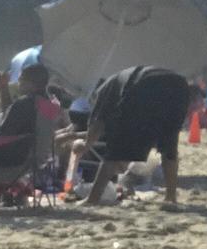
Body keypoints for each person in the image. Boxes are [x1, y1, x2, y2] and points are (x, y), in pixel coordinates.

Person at [78, 68, 197, 210]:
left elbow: (97, 124)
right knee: (169, 145)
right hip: (178, 86)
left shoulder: (104, 91)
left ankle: (93, 199)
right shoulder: (118, 80)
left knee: (116, 150)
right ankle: (170, 198)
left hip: (142, 86)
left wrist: (86, 145)